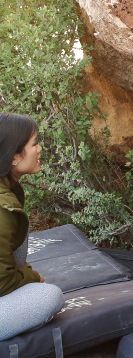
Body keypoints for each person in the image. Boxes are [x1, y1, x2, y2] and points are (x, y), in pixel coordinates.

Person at [0, 113, 64, 341]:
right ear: (14, 156)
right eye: (34, 144)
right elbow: (2, 282)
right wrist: (31, 278)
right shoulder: (2, 207)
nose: (39, 150)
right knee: (50, 296)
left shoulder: (8, 191)